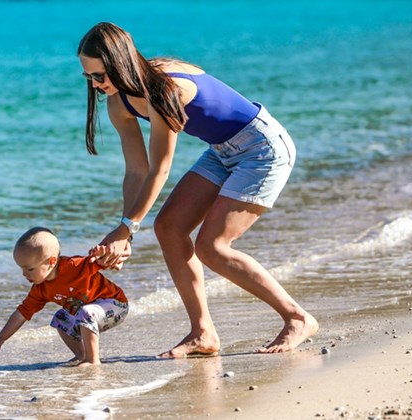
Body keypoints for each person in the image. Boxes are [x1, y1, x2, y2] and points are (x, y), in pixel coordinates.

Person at [77, 22, 318, 358]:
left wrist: (127, 227)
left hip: (263, 148)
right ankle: (203, 333)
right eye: (88, 77)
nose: (96, 84)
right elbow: (137, 170)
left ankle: (297, 317)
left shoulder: (164, 89)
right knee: (168, 227)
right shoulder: (119, 104)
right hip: (221, 150)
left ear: (121, 63)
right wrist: (125, 232)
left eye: (100, 74)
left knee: (213, 246)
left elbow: (160, 168)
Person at [0, 227, 129, 367]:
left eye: (30, 269)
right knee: (60, 318)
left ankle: (92, 360)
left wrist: (104, 255)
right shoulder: (40, 289)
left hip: (115, 305)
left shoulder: (74, 266)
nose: (24, 274)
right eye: (22, 268)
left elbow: (104, 261)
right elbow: (21, 314)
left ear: (51, 262)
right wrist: (1, 337)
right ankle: (81, 355)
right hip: (89, 314)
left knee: (85, 313)